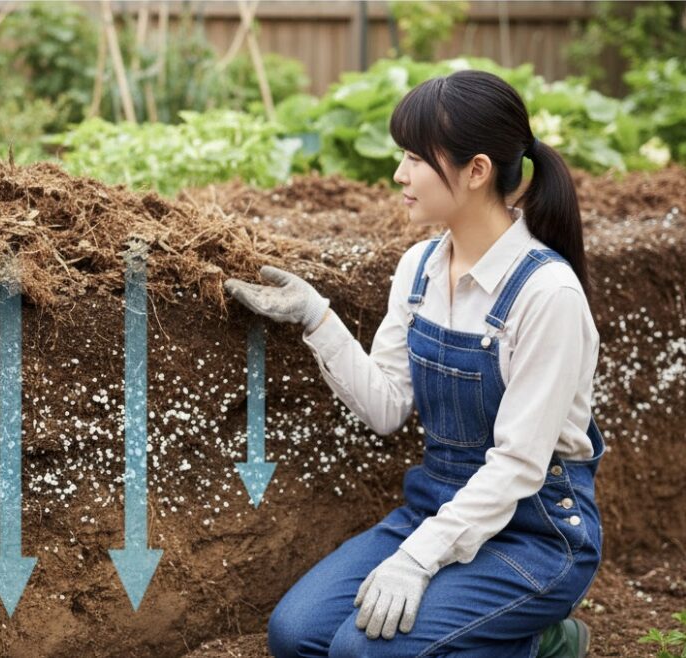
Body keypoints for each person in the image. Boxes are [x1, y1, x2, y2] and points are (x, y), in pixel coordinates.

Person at [223, 69, 604, 658]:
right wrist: (315, 317)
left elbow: (519, 467)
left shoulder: (545, 295)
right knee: (296, 634)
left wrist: (415, 561)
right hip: (439, 504)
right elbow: (385, 408)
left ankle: (545, 644)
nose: (399, 175)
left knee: (362, 652)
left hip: (537, 533)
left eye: (413, 158)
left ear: (476, 171)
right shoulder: (420, 269)